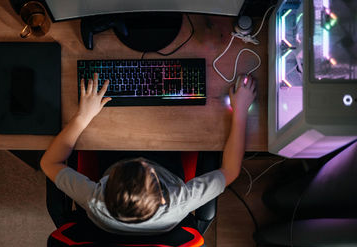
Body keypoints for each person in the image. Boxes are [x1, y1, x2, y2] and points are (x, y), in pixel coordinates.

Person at [41, 73, 256, 235]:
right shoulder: (179, 200)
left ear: (104, 189)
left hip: (114, 160)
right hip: (167, 164)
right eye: (145, 168)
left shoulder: (96, 200)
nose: (141, 159)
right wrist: (241, 111)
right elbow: (231, 170)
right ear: (163, 196)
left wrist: (82, 116)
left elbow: (49, 163)